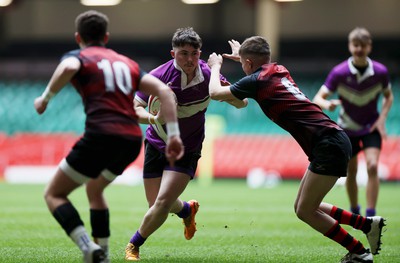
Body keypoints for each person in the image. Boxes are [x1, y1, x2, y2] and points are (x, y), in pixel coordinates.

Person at [207, 36, 386, 262]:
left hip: (327, 144)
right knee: (306, 205)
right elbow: (255, 73)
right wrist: (243, 58)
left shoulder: (257, 81)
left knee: (305, 211)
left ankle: (359, 252)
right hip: (331, 138)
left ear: (249, 64)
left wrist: (216, 67)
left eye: (244, 64)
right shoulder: (278, 69)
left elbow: (215, 93)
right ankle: (367, 224)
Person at [33, 10, 184, 263]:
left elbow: (69, 66)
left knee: (54, 194)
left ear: (78, 37)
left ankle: (87, 246)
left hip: (100, 135)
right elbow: (164, 92)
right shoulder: (127, 62)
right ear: (106, 36)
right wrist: (175, 135)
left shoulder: (79, 56)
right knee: (95, 188)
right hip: (130, 140)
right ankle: (102, 254)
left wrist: (45, 98)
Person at [124, 27, 247, 261]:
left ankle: (133, 245)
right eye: (183, 54)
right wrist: (153, 118)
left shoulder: (208, 76)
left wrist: (234, 97)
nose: (189, 59)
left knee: (161, 203)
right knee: (156, 204)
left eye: (194, 53)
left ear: (200, 52)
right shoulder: (158, 77)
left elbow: (242, 103)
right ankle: (187, 210)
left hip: (187, 147)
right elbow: (133, 110)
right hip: (156, 141)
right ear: (173, 54)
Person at [313, 27, 394, 217]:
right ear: (350, 46)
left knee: (373, 166)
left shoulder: (380, 72)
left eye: (363, 45)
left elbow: (388, 97)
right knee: (351, 169)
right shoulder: (339, 72)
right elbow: (318, 98)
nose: (359, 49)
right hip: (347, 128)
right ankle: (355, 210)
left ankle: (371, 213)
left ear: (369, 47)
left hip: (370, 127)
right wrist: (328, 103)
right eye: (356, 45)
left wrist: (382, 119)